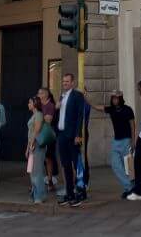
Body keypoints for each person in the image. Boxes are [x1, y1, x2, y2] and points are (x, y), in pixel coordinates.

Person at [55, 73, 86, 207]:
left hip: (72, 135)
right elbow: (60, 115)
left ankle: (80, 193)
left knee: (76, 164)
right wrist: (57, 107)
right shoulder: (61, 96)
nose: (65, 83)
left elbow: (80, 116)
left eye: (67, 81)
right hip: (62, 134)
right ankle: (69, 194)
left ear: (73, 82)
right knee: (65, 165)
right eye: (63, 81)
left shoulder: (77, 96)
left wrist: (78, 134)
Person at [103, 90, 135, 198]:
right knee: (115, 165)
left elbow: (132, 125)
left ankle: (132, 188)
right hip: (116, 141)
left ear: (120, 99)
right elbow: (99, 107)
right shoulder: (111, 110)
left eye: (116, 98)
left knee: (129, 167)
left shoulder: (128, 109)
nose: (114, 100)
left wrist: (133, 140)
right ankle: (128, 186)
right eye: (113, 98)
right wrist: (86, 99)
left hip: (126, 140)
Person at [26, 96, 48, 203]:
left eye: (30, 102)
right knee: (31, 170)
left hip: (37, 145)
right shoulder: (34, 115)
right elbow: (30, 133)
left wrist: (32, 143)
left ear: (35, 104)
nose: (28, 104)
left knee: (37, 171)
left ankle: (39, 195)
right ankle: (35, 193)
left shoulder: (39, 115)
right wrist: (27, 147)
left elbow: (37, 130)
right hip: (32, 145)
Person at [38, 88, 57, 192]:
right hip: (39, 134)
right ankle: (38, 182)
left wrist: (38, 118)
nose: (38, 95)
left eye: (40, 93)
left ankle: (50, 181)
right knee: (40, 159)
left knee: (48, 158)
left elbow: (48, 120)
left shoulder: (50, 105)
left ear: (46, 94)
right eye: (38, 93)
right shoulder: (39, 105)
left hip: (47, 135)